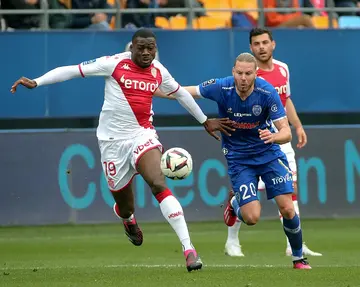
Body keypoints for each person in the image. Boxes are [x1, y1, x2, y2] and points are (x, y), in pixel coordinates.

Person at [10, 28, 234, 272]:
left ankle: (189, 249)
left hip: (142, 135)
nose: (147, 52)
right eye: (142, 48)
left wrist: (204, 120)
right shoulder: (114, 63)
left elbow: (180, 94)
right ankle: (128, 220)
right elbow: (72, 70)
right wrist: (37, 82)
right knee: (125, 206)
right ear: (132, 48)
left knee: (158, 182)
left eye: (151, 48)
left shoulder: (159, 71)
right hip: (112, 143)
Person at [178, 52, 312, 269]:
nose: (243, 78)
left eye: (248, 73)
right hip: (239, 159)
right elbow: (185, 91)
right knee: (251, 218)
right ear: (233, 72)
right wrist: (153, 88)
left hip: (268, 153)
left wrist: (274, 136)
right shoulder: (222, 87)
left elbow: (286, 132)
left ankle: (298, 258)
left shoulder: (266, 92)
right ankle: (234, 205)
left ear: (255, 73)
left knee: (288, 208)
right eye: (239, 73)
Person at [223, 27, 322, 258]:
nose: (261, 47)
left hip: (280, 138)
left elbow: (285, 101)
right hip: (255, 143)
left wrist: (297, 126)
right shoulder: (247, 76)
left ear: (273, 44)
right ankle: (232, 241)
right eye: (256, 44)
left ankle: (294, 245)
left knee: (291, 190)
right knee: (248, 198)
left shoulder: (283, 69)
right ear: (251, 47)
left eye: (265, 42)